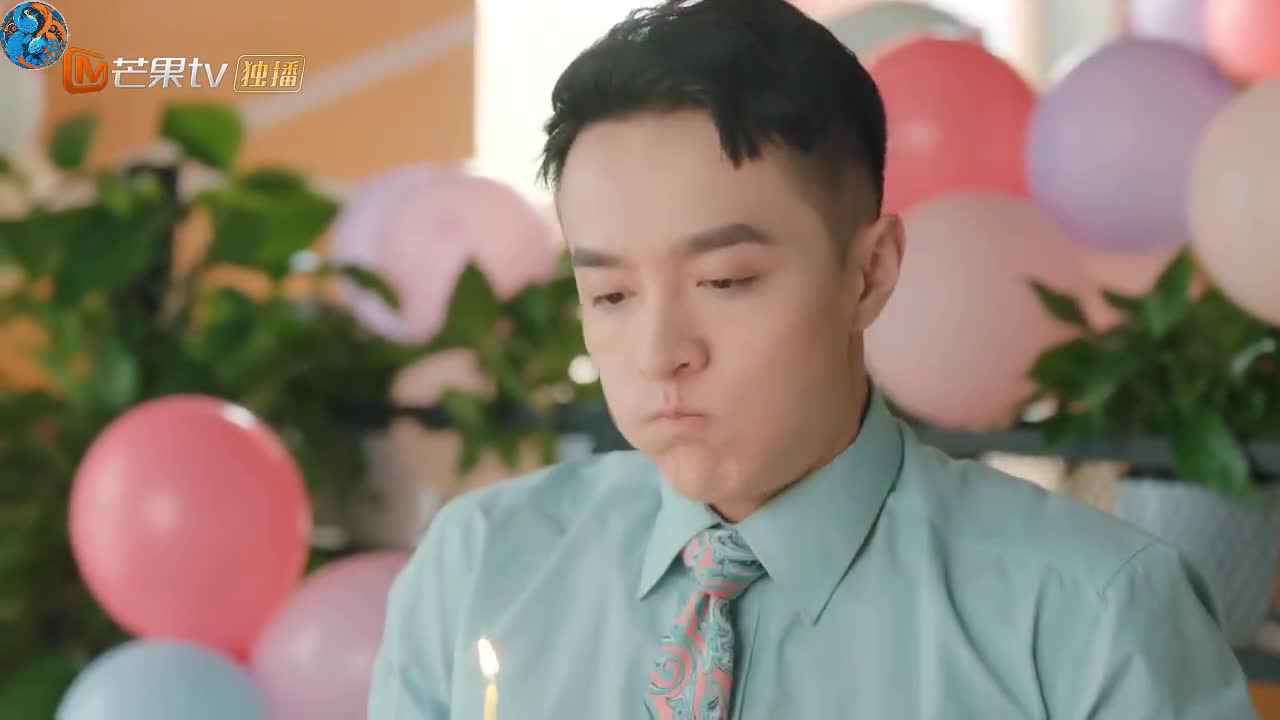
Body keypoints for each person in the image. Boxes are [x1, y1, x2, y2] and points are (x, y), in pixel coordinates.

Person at [368, 0, 1257, 717]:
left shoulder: (1089, 616)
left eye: (725, 280)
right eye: (610, 295)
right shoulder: (478, 568)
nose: (659, 354)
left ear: (869, 274)